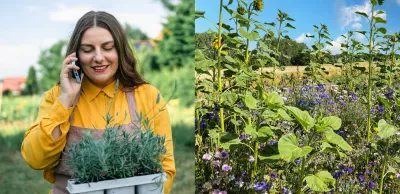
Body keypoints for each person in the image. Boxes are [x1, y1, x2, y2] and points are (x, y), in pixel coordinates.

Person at [21, 11, 175, 194]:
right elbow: (35, 159)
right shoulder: (57, 97)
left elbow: (165, 169)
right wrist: (66, 99)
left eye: (108, 47)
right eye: (87, 50)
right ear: (75, 55)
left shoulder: (147, 95)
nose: (99, 57)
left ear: (120, 50)